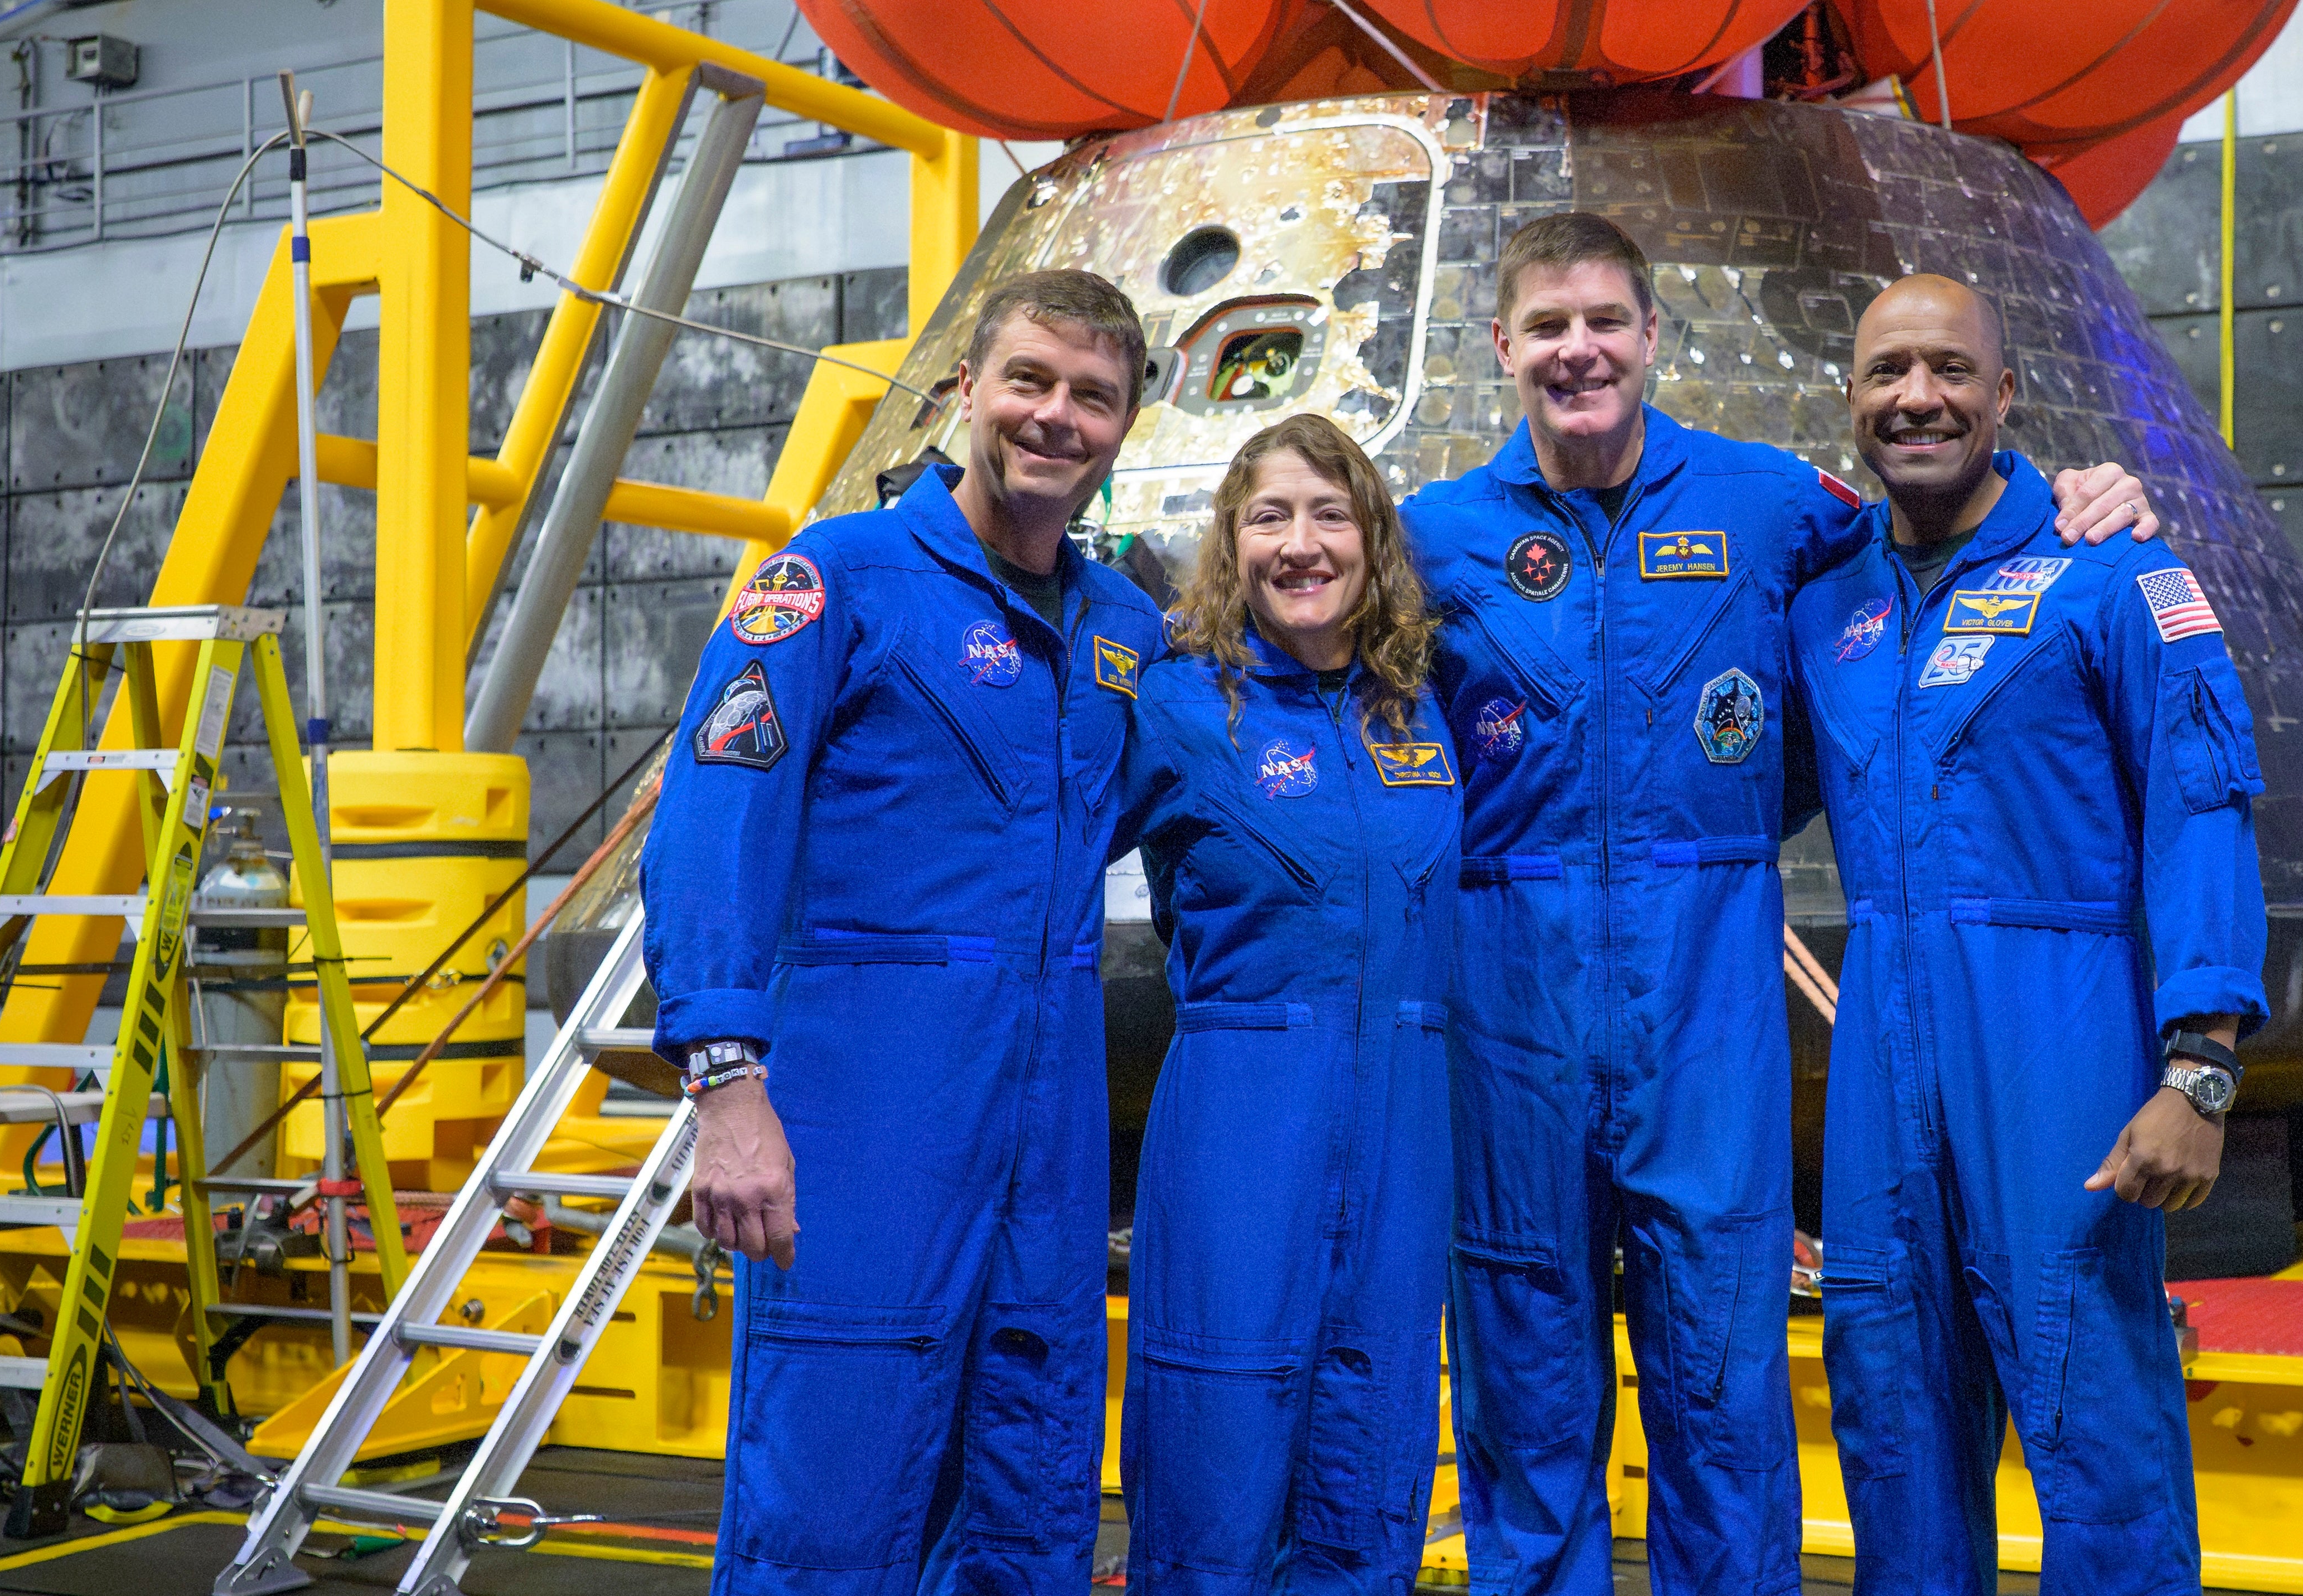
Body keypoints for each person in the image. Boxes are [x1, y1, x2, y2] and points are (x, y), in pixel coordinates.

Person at [1398, 213, 2161, 1596]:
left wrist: (2084, 494)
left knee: (1721, 1390)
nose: (1581, 351)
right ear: (1502, 348)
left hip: (1707, 1005)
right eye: (1550, 328)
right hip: (1508, 998)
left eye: (1607, 323)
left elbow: (1941, 530)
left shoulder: (1771, 505)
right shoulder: (1429, 540)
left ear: (1650, 339)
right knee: (1523, 1379)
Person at [644, 271, 1168, 1596]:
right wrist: (726, 1088)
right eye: (1029, 382)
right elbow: (714, 825)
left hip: (1047, 1130)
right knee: (830, 1496)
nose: (1055, 418)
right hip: (867, 1105)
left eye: (1091, 397)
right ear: (965, 392)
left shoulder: (1124, 632)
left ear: (1124, 426)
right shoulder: (837, 581)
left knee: (1026, 1488)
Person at [1783, 271, 2269, 1596]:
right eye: (1886, 373)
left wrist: (2201, 1069)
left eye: (1948, 370)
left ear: (2005, 394)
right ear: (1850, 402)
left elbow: (2201, 814)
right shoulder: (1825, 606)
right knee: (1890, 1411)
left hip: (2059, 1042)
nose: (1916, 397)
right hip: (1884, 1058)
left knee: (2091, 1408)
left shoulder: (2112, 569)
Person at [1111, 415, 1462, 1594]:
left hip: (1405, 1134)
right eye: (1269, 516)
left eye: (1329, 514)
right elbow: (1024, 857)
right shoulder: (1173, 706)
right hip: (1238, 1125)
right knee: (1216, 1461)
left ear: (1372, 538)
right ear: (1230, 540)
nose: (1300, 544)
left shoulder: (1420, 707)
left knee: (1371, 1469)